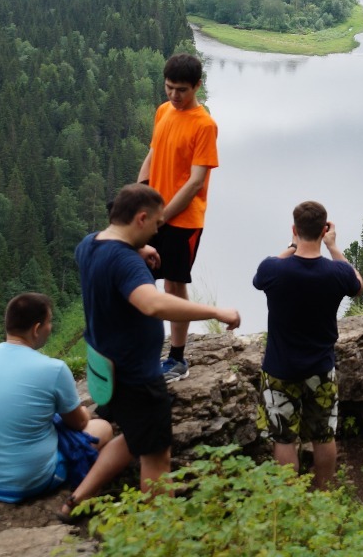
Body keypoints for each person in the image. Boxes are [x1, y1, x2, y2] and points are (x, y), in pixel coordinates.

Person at [62, 183, 241, 520]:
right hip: (137, 378)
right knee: (156, 457)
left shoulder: (90, 245)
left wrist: (137, 247)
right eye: (157, 224)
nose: (160, 230)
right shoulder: (124, 261)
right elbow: (153, 303)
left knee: (134, 437)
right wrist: (216, 312)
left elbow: (110, 257)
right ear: (141, 218)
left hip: (105, 368)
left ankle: (76, 500)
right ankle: (160, 535)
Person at [0, 293, 113, 500]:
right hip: (26, 480)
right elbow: (79, 423)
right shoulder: (54, 369)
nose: (50, 327)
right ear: (36, 329)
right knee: (103, 428)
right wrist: (82, 411)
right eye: (49, 322)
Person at [254, 200, 363, 489]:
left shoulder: (273, 270)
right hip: (321, 368)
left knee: (284, 439)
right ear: (324, 229)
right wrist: (333, 247)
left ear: (294, 229)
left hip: (279, 369)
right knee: (324, 436)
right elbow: (358, 284)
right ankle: (323, 492)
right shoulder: (337, 273)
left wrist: (291, 246)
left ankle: (291, 500)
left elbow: (260, 278)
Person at [137, 53, 220, 382]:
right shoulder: (163, 111)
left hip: (183, 221)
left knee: (173, 284)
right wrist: (139, 195)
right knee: (142, 277)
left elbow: (196, 181)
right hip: (154, 212)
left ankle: (177, 358)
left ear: (197, 86)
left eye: (181, 90)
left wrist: (163, 216)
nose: (174, 95)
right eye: (169, 87)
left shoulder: (204, 125)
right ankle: (143, 349)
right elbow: (153, 153)